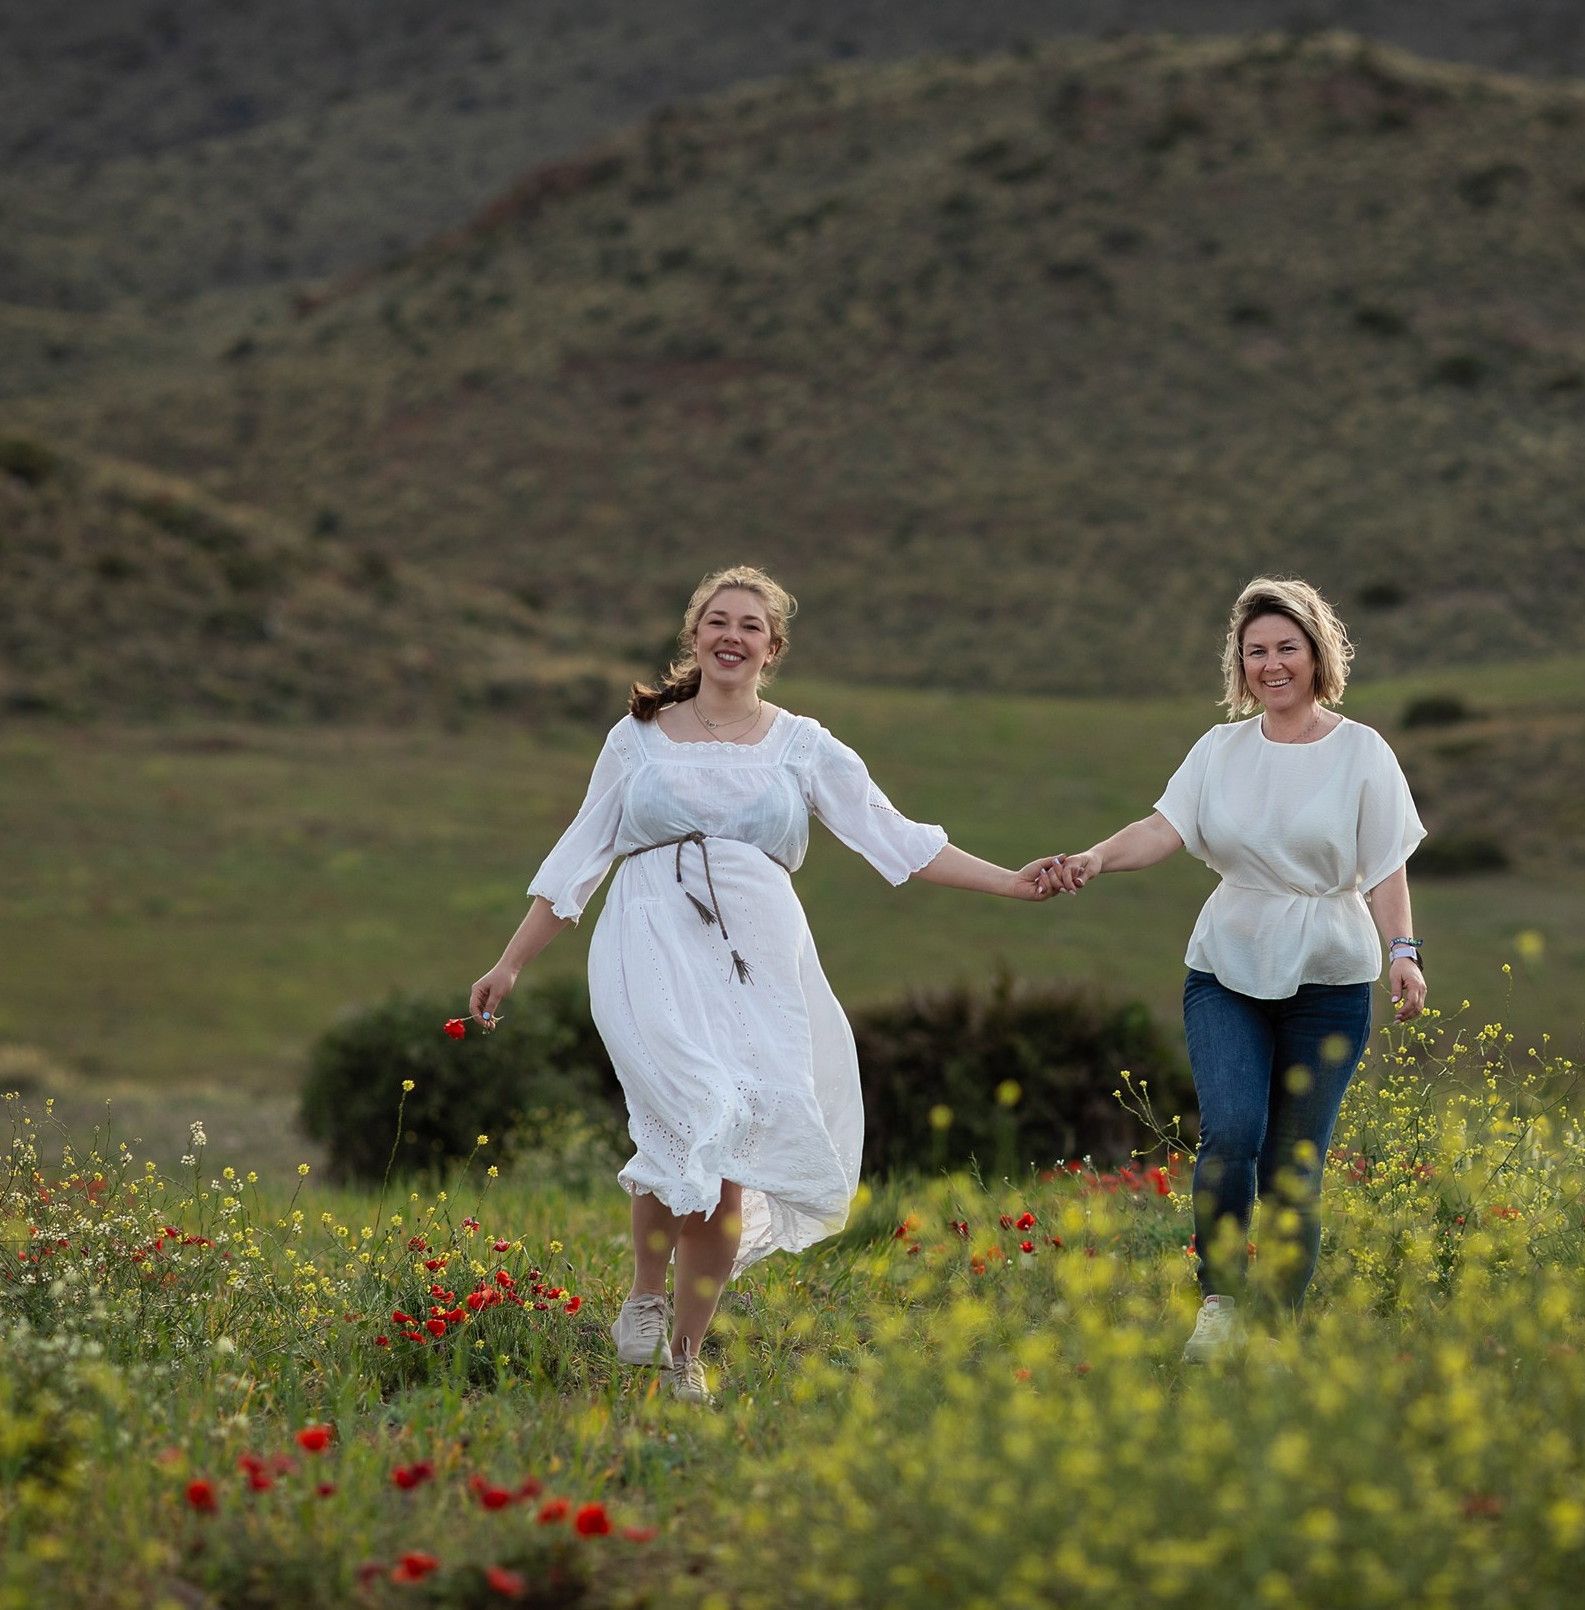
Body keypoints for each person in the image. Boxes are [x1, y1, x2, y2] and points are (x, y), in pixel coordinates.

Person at [469, 563, 1050, 1404]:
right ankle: (642, 1286)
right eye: (717, 620)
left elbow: (896, 837)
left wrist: (1012, 882)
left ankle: (685, 1354)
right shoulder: (635, 736)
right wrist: (510, 959)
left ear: (770, 648)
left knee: (730, 1144)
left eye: (749, 625)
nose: (731, 636)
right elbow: (578, 857)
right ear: (694, 635)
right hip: (646, 939)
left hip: (758, 951)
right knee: (684, 1115)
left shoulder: (802, 744)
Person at [1033, 576, 1427, 1361]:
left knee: (1294, 1160)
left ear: (1317, 654)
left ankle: (1276, 1325)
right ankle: (1220, 1303)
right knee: (1233, 1131)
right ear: (1238, 663)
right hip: (1227, 965)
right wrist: (1095, 857)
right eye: (1255, 651)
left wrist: (1403, 953)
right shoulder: (1220, 749)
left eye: (1287, 647)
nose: (1271, 664)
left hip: (1330, 974)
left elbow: (1385, 866)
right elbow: (1162, 826)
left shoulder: (1361, 751)